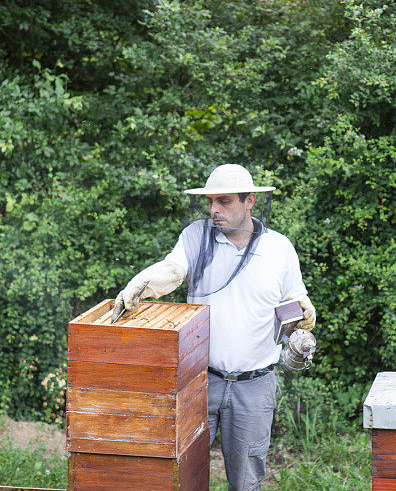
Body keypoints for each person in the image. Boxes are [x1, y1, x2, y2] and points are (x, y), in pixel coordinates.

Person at [115, 163, 315, 491]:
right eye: (210, 202)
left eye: (224, 201)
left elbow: (295, 302)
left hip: (255, 384)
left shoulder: (279, 249)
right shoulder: (197, 236)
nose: (214, 210)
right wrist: (142, 283)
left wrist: (305, 312)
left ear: (250, 201)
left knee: (246, 482)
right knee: (183, 475)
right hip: (199, 381)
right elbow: (173, 269)